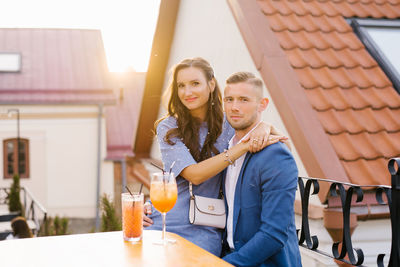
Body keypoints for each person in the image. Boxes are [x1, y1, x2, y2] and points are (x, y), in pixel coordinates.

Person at [144, 57, 286, 256]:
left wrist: (265, 126)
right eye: (181, 86)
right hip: (164, 223)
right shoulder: (168, 127)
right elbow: (194, 175)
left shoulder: (229, 123)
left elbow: (282, 142)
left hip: (206, 227)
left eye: (195, 84)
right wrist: (243, 146)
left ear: (211, 84)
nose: (187, 92)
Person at [221, 72, 301, 266]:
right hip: (230, 255)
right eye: (229, 99)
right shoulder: (225, 151)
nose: (234, 107)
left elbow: (273, 234)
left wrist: (224, 264)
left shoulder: (276, 156)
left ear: (262, 104)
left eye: (244, 100)